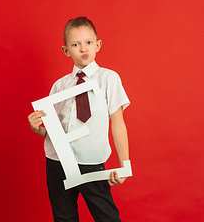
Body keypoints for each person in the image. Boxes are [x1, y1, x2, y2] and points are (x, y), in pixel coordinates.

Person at [28, 16, 130, 222]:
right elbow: (51, 132)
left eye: (88, 42)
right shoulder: (60, 86)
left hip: (91, 162)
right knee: (64, 217)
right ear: (66, 50)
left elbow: (117, 122)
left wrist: (124, 165)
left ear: (98, 45)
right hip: (57, 162)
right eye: (76, 44)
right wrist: (37, 127)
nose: (83, 49)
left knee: (106, 216)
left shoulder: (109, 78)